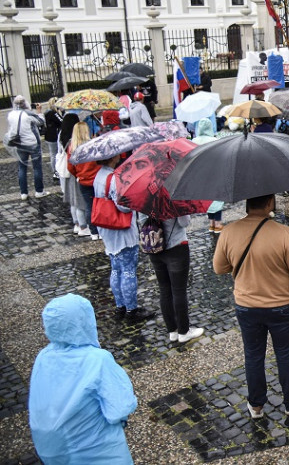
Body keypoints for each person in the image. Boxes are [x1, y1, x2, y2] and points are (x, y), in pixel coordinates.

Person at [213, 194, 289, 418]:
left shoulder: (229, 232)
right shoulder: (284, 233)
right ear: (270, 203)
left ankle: (256, 405)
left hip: (247, 306)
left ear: (246, 203)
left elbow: (219, 268)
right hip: (283, 306)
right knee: (286, 354)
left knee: (253, 355)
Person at [29, 294, 138, 465]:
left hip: (50, 451)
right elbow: (119, 408)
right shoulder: (97, 360)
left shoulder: (43, 356)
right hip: (95, 452)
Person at [95, 154, 151, 321]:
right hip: (121, 229)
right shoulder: (113, 179)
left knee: (115, 268)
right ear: (112, 157)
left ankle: (120, 306)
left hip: (107, 228)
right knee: (128, 270)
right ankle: (131, 310)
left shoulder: (99, 175)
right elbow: (123, 206)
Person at [146, 215, 204, 343]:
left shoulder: (143, 196)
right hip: (176, 246)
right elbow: (184, 222)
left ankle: (172, 331)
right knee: (179, 291)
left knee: (164, 289)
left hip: (154, 246)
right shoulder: (174, 197)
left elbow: (141, 220)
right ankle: (184, 332)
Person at [6, 95, 47, 200]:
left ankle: (23, 193)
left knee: (22, 168)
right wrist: (39, 111)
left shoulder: (10, 115)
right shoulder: (28, 114)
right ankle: (39, 191)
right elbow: (41, 122)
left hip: (19, 144)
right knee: (37, 167)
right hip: (32, 144)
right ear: (25, 103)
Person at [43, 98, 62, 176]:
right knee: (55, 154)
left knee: (52, 154)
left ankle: (55, 170)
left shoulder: (47, 113)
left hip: (49, 136)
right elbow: (61, 121)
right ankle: (56, 170)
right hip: (54, 136)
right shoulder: (53, 113)